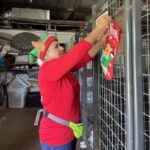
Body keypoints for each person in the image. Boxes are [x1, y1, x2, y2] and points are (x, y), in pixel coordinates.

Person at [32, 14, 112, 150]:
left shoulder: (61, 70)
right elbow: (75, 53)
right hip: (55, 136)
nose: (62, 48)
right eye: (56, 47)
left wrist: (101, 42)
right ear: (46, 55)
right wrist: (98, 29)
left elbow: (83, 58)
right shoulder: (47, 69)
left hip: (69, 131)